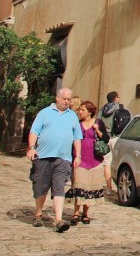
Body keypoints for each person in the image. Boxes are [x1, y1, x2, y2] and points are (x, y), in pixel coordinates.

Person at [26, 87, 82, 233]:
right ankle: (38, 213)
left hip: (63, 158)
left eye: (69, 99)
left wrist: (78, 155)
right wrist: (31, 147)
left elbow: (77, 137)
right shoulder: (44, 113)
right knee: (41, 187)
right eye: (64, 98)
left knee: (59, 187)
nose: (67, 101)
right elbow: (34, 131)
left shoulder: (72, 116)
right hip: (43, 156)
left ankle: (58, 220)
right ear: (57, 98)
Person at [67, 101, 108, 225]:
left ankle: (85, 213)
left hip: (94, 161)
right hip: (79, 160)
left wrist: (98, 131)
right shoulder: (77, 124)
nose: (80, 112)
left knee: (89, 189)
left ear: (90, 112)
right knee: (78, 187)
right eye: (79, 109)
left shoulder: (98, 123)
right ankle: (75, 213)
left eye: (82, 110)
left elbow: (105, 138)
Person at [99, 91, 130, 192]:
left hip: (105, 137)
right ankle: (120, 187)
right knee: (119, 162)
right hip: (117, 137)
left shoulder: (102, 109)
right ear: (116, 98)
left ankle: (108, 187)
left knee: (107, 163)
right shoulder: (120, 108)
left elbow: (97, 122)